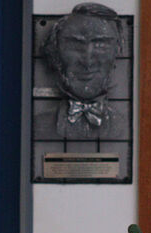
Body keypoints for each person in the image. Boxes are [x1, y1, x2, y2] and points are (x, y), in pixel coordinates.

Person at [41, 2, 125, 139]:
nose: (87, 62)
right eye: (74, 45)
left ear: (119, 50)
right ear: (54, 51)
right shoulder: (37, 125)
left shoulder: (127, 126)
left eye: (100, 45)